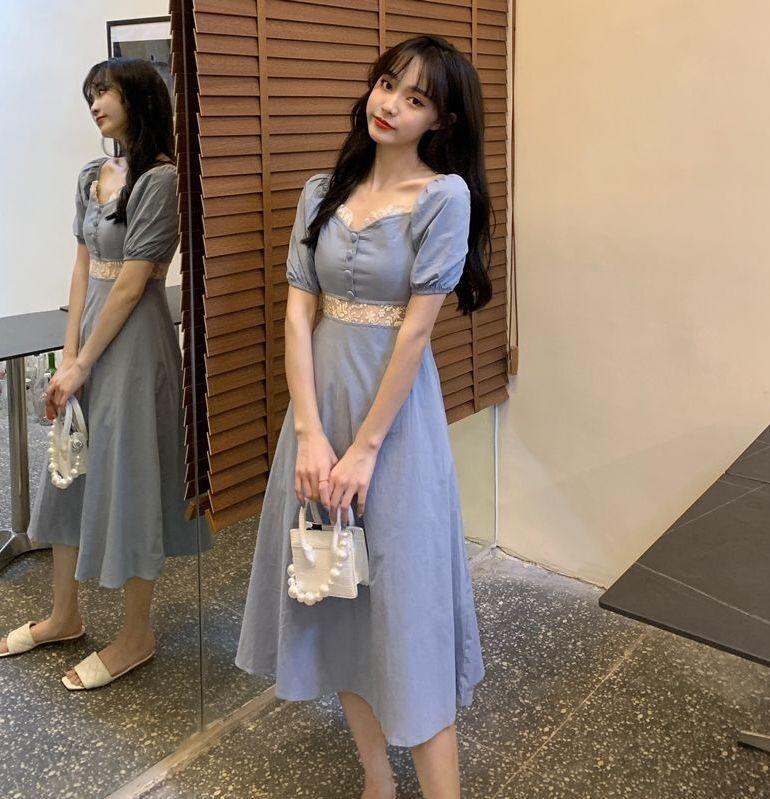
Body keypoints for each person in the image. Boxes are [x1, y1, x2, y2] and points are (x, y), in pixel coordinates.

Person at [235, 35, 494, 799]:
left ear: (440, 120)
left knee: (407, 610)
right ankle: (376, 778)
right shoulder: (321, 192)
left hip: (394, 429)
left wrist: (364, 448)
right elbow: (297, 315)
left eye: (415, 99)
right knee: (337, 595)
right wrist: (311, 436)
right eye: (387, 85)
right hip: (317, 424)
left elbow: (414, 333)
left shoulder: (444, 197)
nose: (391, 105)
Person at [0, 58, 212, 689]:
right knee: (67, 473)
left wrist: (84, 361)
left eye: (105, 92)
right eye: (90, 93)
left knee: (130, 479)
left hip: (133, 344)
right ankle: (63, 615)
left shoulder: (161, 180)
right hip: (89, 338)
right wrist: (68, 358)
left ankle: (136, 634)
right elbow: (82, 269)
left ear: (138, 98)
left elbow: (131, 283)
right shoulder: (92, 174)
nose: (94, 104)